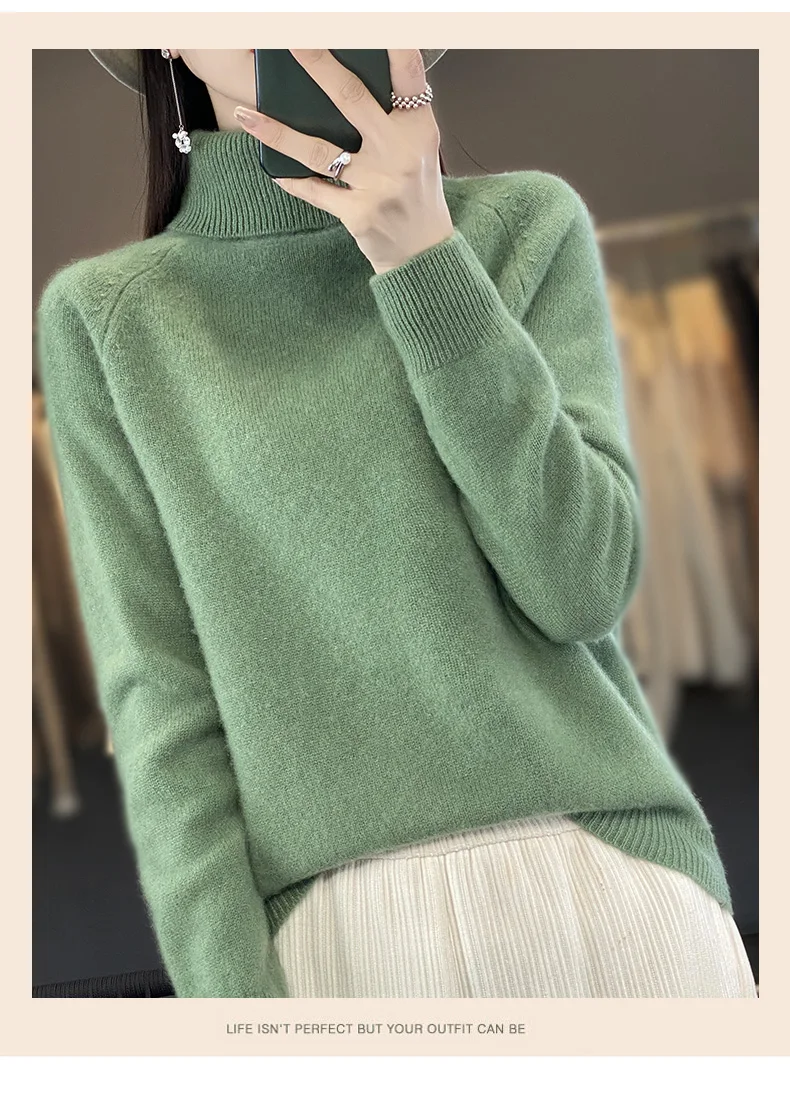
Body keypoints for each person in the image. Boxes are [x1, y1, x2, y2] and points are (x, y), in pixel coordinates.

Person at [35, 48, 757, 998]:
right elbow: (160, 700)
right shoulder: (106, 319)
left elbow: (582, 585)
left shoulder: (524, 226)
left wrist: (424, 263)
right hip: (336, 936)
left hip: (614, 882)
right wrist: (229, 1018)